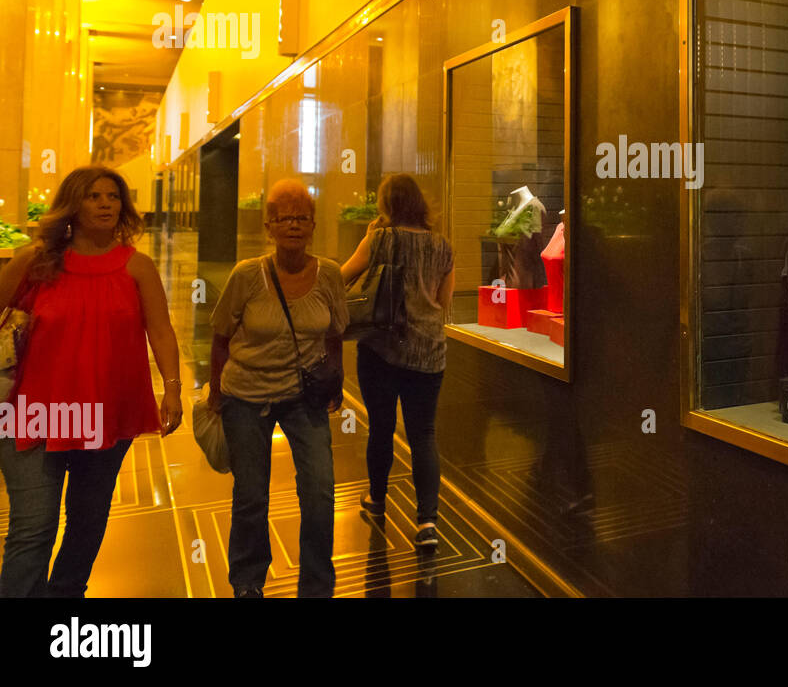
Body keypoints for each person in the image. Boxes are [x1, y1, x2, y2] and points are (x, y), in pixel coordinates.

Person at [0, 166, 182, 598]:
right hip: (35, 412)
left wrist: (172, 388)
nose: (106, 204)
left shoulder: (137, 266)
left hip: (105, 412)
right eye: (94, 196)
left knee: (87, 519)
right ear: (72, 205)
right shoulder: (35, 260)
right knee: (33, 526)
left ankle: (65, 594)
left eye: (113, 197)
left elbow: (160, 330)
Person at [208, 179, 347, 598]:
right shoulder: (247, 275)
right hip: (246, 395)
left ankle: (317, 586)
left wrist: (335, 380)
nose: (293, 225)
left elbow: (336, 333)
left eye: (301, 217)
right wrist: (215, 393)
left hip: (303, 396)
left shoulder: (330, 275)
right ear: (269, 226)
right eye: (284, 218)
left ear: (313, 225)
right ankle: (248, 581)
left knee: (320, 493)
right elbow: (220, 335)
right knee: (251, 495)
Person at [341, 173, 453, 549]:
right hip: (429, 353)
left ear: (387, 205)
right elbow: (443, 304)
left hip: (381, 350)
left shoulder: (380, 239)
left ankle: (377, 499)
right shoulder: (443, 246)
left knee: (381, 428)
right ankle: (427, 522)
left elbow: (343, 277)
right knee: (424, 434)